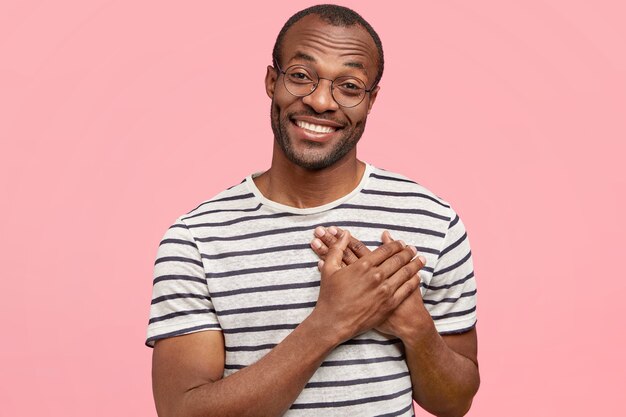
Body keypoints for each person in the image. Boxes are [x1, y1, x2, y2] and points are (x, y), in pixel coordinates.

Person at [146, 4, 479, 416]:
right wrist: (330, 322)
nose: (321, 101)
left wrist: (414, 325)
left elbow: (455, 402)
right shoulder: (197, 240)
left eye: (350, 86)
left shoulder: (433, 221)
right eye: (301, 76)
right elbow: (182, 413)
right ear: (272, 81)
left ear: (371, 100)